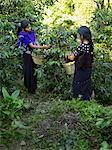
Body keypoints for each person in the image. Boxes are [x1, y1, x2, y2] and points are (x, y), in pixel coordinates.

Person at [17, 20, 51, 94]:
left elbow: (35, 42)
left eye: (30, 26)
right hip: (27, 55)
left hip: (33, 54)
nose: (30, 28)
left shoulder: (31, 33)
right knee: (29, 71)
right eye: (28, 27)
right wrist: (43, 47)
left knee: (34, 70)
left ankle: (34, 88)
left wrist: (42, 47)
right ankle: (30, 89)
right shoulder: (23, 35)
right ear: (23, 28)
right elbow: (31, 45)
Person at [67, 26, 94, 100]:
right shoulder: (90, 45)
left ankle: (77, 98)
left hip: (80, 68)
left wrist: (67, 56)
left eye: (79, 34)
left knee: (78, 82)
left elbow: (72, 57)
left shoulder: (81, 46)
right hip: (88, 68)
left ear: (82, 36)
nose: (78, 36)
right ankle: (86, 98)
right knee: (86, 82)